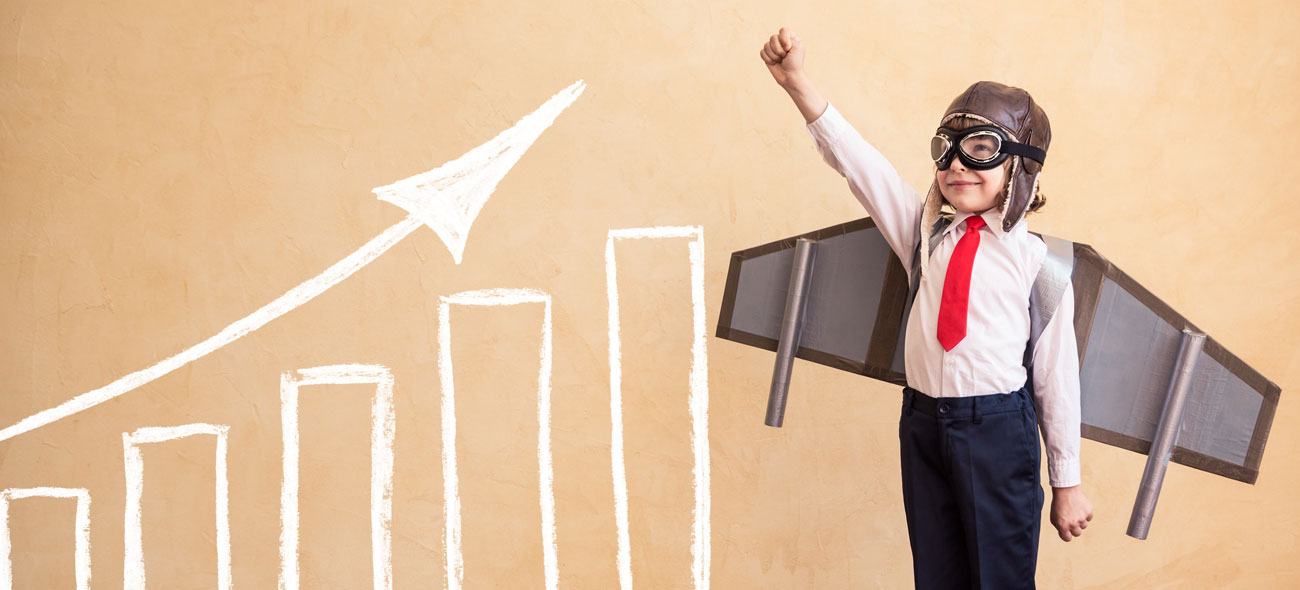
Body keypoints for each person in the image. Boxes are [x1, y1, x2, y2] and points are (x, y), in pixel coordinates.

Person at [759, 27, 1094, 589]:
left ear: (1021, 166)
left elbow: (1057, 381)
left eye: (981, 149)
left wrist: (1067, 482)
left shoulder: (1042, 265)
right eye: (946, 150)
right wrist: (797, 83)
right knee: (936, 577)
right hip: (922, 424)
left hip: (997, 430)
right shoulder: (924, 234)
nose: (957, 165)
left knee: (999, 579)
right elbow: (859, 165)